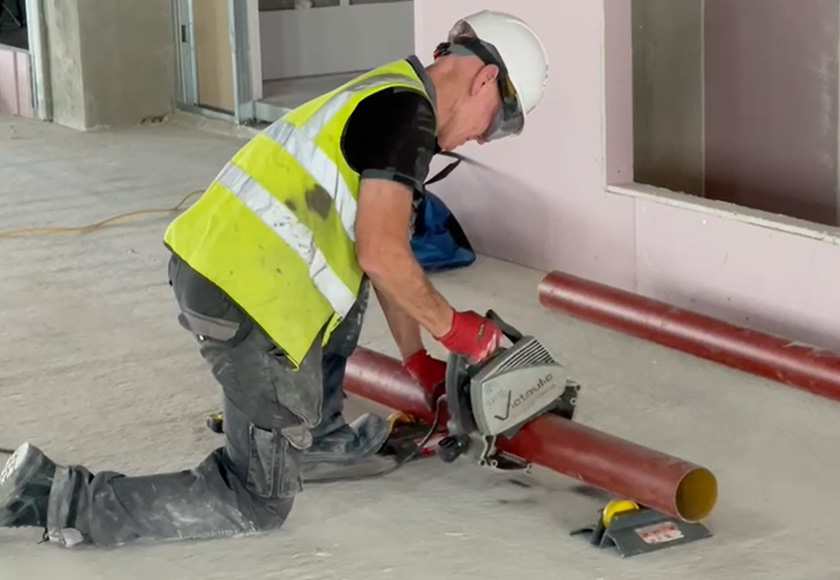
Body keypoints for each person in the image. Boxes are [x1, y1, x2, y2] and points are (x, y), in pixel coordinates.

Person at [0, 10, 548, 548]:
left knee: (348, 280)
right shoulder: (410, 116)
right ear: (485, 79)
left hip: (224, 269)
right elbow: (381, 254)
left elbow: (386, 253)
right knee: (255, 500)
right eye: (497, 124)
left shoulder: (390, 92)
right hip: (246, 300)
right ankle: (56, 495)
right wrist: (459, 332)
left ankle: (319, 433)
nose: (481, 138)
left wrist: (416, 357)